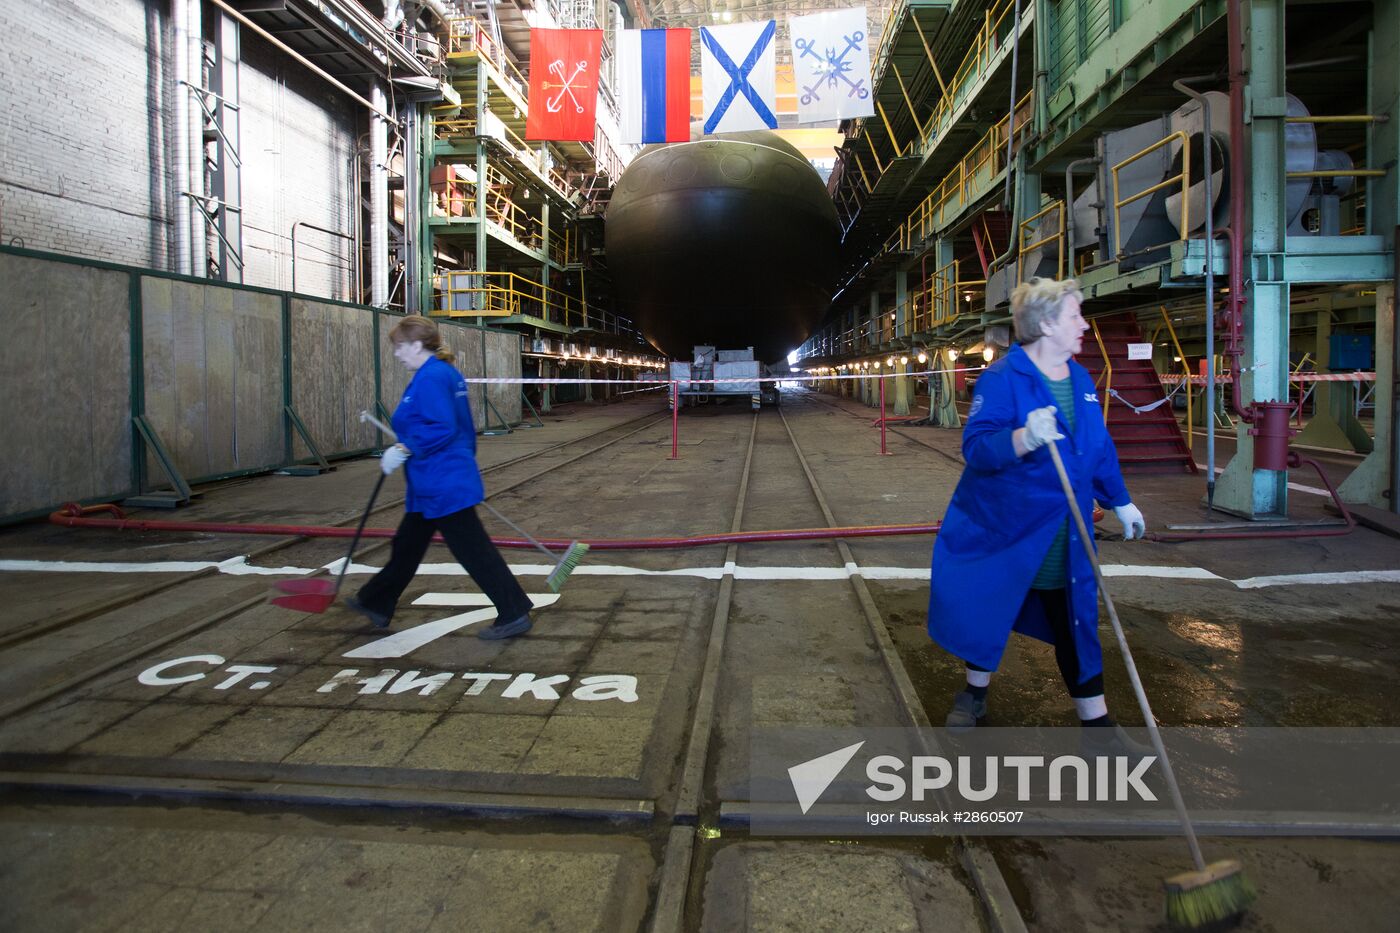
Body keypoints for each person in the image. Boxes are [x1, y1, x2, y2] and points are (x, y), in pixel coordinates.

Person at [927, 278, 1147, 753]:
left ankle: (1097, 727)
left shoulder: (1082, 378)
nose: (1084, 324)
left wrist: (1118, 498)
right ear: (1047, 324)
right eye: (1075, 316)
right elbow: (977, 448)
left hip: (1067, 533)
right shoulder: (1004, 379)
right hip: (1008, 529)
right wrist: (1023, 439)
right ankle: (974, 694)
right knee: (988, 608)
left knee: (1077, 622)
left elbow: (1098, 447)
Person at [346, 315, 534, 640]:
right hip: (433, 480)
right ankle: (376, 600)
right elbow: (458, 428)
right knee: (407, 545)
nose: (396, 354)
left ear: (417, 345)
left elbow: (443, 426)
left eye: (400, 347)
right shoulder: (441, 373)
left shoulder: (432, 377)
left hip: (442, 481)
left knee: (472, 550)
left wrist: (406, 448)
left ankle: (514, 610)